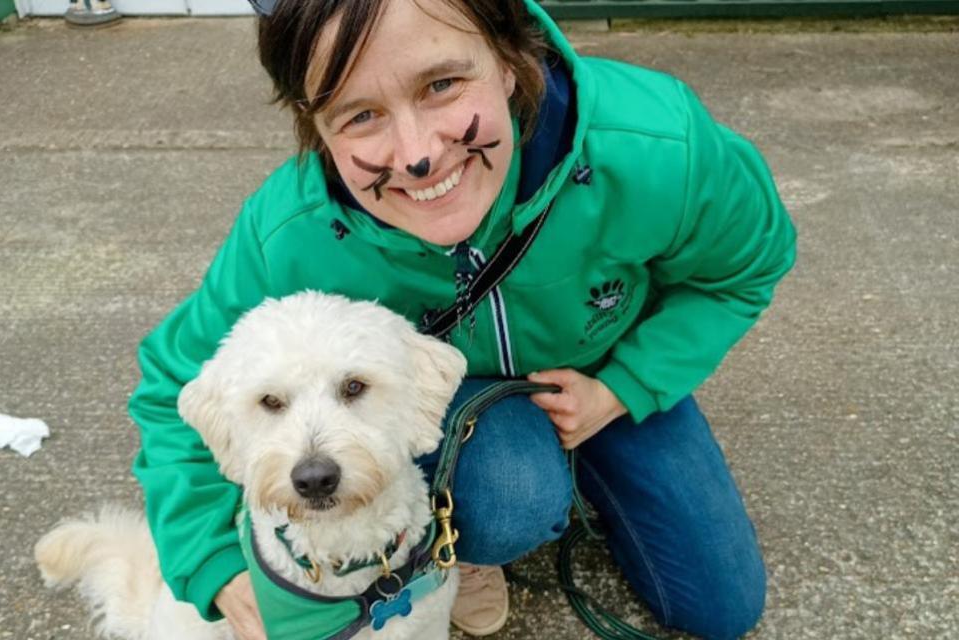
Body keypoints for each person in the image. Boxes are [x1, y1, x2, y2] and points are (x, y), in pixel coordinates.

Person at [129, 0, 797, 638]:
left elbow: (746, 266)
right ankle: (470, 538)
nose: (418, 155)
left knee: (723, 607)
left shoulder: (656, 142)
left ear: (509, 58)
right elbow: (174, 387)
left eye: (442, 83)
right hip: (455, 404)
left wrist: (627, 387)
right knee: (511, 496)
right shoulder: (286, 235)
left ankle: (583, 469)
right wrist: (212, 565)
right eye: (359, 115)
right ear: (315, 126)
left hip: (604, 367)